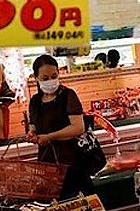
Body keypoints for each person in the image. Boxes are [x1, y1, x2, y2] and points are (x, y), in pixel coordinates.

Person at [27, 55, 93, 199]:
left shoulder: (68, 96)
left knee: (79, 206)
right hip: (48, 166)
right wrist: (32, 134)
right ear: (36, 78)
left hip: (73, 164)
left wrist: (50, 137)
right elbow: (33, 126)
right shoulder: (35, 101)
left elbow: (78, 127)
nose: (50, 81)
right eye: (45, 78)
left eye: (54, 76)